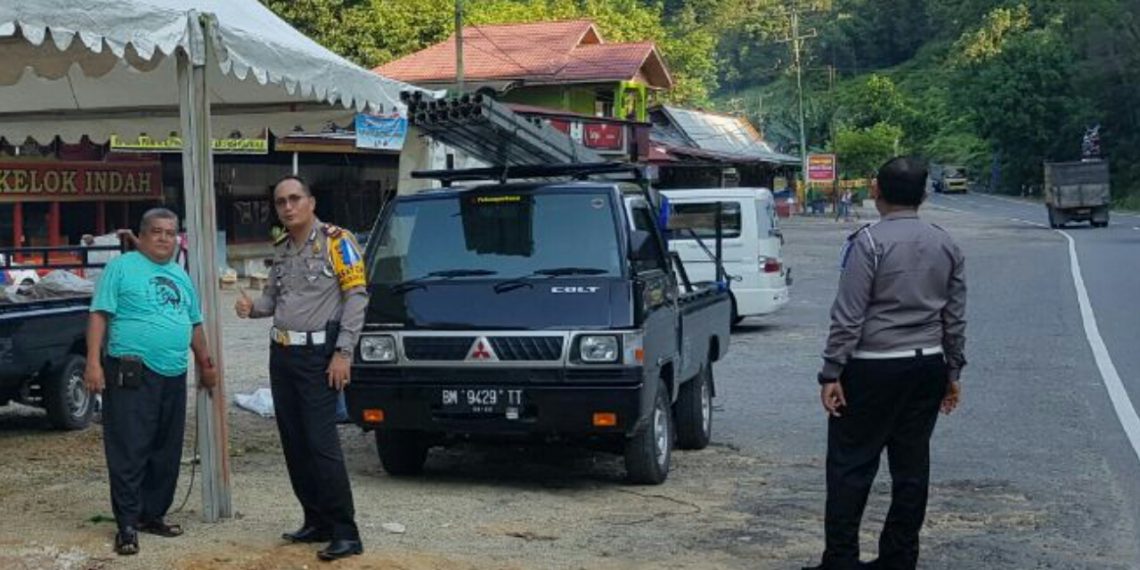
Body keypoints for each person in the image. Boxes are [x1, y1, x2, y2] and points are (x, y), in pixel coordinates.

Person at [806, 157, 967, 570]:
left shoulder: (868, 243)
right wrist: (953, 371)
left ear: (876, 190)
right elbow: (954, 317)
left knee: (850, 466)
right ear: (924, 195)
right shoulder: (945, 243)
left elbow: (849, 314)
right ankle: (899, 558)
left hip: (872, 367)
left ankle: (841, 560)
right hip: (927, 366)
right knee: (911, 468)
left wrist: (831, 371)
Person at [234, 174, 368, 562]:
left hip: (318, 357)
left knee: (321, 444)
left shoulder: (337, 241)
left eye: (295, 198)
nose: (288, 207)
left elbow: (356, 297)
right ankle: (316, 520)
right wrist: (252, 309)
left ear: (311, 202)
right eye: (281, 202)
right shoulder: (283, 247)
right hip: (283, 355)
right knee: (295, 443)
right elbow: (274, 299)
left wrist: (343, 352)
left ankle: (345, 532)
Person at [83, 208, 218, 556]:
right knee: (129, 448)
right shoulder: (121, 267)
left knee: (166, 449)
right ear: (141, 236)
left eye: (170, 233)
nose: (164, 239)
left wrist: (206, 364)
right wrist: (93, 363)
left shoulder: (180, 275)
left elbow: (194, 323)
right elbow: (99, 315)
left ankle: (152, 514)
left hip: (173, 373)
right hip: (131, 371)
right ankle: (127, 524)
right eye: (157, 232)